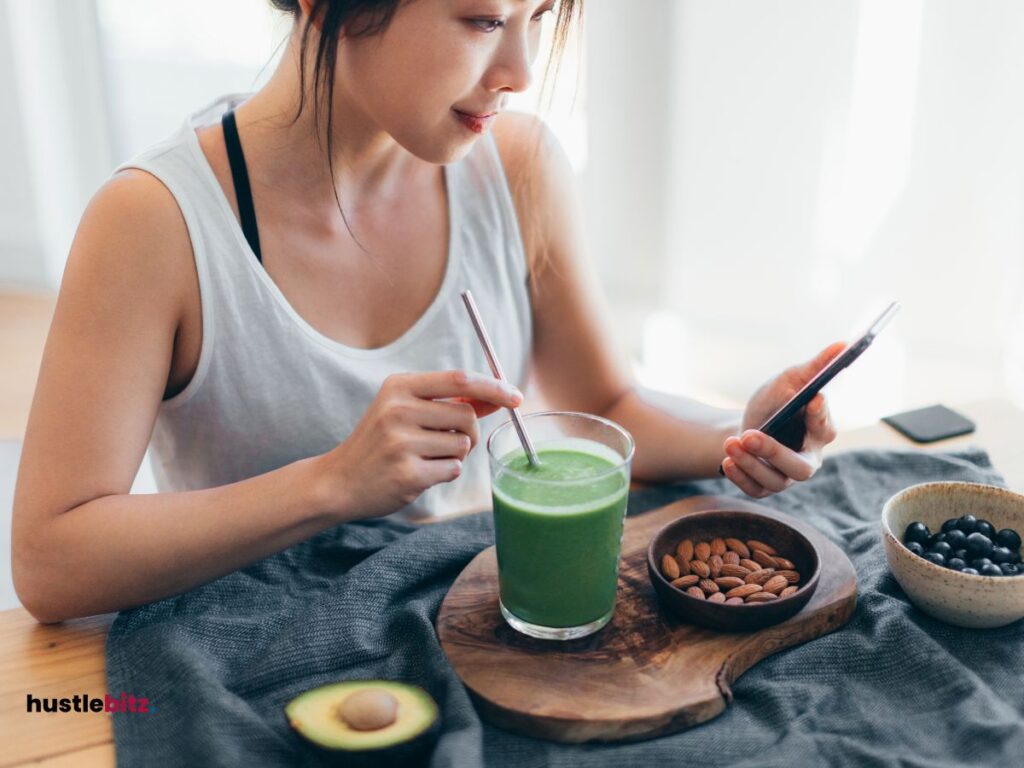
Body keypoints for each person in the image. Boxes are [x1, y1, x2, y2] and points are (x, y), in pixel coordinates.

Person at [12, 0, 841, 624]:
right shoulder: (155, 223)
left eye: (537, 16)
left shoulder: (513, 165)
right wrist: (334, 483)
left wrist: (741, 434)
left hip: (474, 623)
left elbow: (610, 408)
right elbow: (52, 563)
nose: (518, 69)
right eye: (482, 19)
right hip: (260, 648)